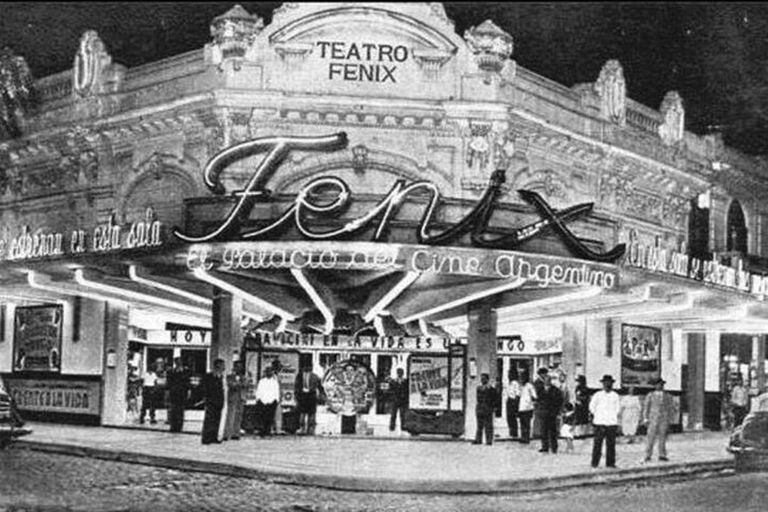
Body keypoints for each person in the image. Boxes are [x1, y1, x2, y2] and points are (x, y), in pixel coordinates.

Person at [589, 374, 620, 468]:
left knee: (611, 444)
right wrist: (598, 415)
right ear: (603, 384)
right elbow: (591, 407)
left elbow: (617, 409)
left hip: (611, 423)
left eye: (609, 383)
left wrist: (611, 416)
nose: (607, 384)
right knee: (597, 444)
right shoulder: (598, 395)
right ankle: (595, 463)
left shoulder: (615, 395)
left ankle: (610, 463)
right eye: (605, 383)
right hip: (599, 423)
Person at [643, 377, 673, 462]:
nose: (659, 386)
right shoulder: (650, 395)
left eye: (661, 384)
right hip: (652, 419)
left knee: (663, 437)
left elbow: (670, 408)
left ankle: (662, 455)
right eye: (658, 384)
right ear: (655, 386)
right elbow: (646, 407)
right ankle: (648, 455)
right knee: (650, 438)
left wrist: (669, 419)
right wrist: (645, 418)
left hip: (663, 419)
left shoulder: (667, 396)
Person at [295, 362, 324, 435]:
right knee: (302, 412)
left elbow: (320, 387)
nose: (307, 368)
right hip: (302, 396)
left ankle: (310, 429)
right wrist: (297, 396)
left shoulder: (315, 376)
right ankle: (302, 428)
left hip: (311, 396)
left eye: (309, 367)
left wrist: (321, 395)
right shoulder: (299, 376)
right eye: (306, 367)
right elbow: (296, 386)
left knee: (312, 413)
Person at [201, 358, 226, 445]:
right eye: (223, 365)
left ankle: (213, 437)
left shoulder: (221, 377)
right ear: (217, 366)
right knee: (209, 420)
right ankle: (206, 438)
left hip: (219, 402)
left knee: (216, 420)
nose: (224, 367)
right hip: (211, 401)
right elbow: (204, 388)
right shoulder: (208, 376)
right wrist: (206, 398)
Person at [538, 374, 564, 454]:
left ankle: (554, 447)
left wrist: (557, 411)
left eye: (548, 380)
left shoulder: (555, 390)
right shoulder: (540, 390)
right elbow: (538, 400)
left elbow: (560, 401)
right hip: (543, 413)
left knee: (552, 431)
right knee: (543, 431)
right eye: (545, 380)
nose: (547, 382)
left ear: (550, 381)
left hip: (552, 413)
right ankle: (544, 446)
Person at [473, 373, 498, 445]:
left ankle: (489, 440)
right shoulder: (479, 388)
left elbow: (495, 399)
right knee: (479, 425)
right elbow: (478, 398)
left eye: (484, 378)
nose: (482, 380)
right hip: (480, 408)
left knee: (489, 425)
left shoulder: (491, 389)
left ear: (487, 379)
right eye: (481, 378)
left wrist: (493, 407)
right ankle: (478, 439)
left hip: (488, 408)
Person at [224, 361, 246, 440]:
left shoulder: (243, 377)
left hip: (241, 398)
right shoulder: (230, 376)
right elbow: (231, 385)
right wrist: (239, 384)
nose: (239, 368)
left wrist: (238, 383)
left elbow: (245, 384)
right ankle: (227, 434)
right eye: (238, 366)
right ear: (234, 367)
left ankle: (236, 433)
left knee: (238, 416)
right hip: (233, 398)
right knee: (231, 416)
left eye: (241, 367)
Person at [167, 357, 190, 433]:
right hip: (173, 393)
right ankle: (173, 426)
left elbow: (187, 382)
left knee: (180, 410)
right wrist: (168, 392)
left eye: (179, 362)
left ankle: (179, 426)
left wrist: (188, 391)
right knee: (173, 410)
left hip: (182, 393)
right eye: (177, 362)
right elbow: (169, 383)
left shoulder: (185, 371)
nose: (178, 363)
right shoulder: (171, 371)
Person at [255, 367, 280, 437]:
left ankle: (268, 431)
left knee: (270, 418)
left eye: (270, 372)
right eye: (267, 372)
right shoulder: (262, 381)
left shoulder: (275, 382)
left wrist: (276, 400)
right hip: (263, 401)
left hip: (272, 402)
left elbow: (277, 392)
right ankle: (262, 432)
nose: (269, 373)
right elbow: (258, 391)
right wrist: (258, 399)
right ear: (265, 373)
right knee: (262, 417)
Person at [518, 371, 537, 443]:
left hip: (528, 408)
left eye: (523, 377)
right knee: (522, 424)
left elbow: (534, 396)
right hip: (521, 407)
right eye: (521, 377)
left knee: (527, 424)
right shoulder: (520, 386)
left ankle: (527, 438)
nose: (521, 379)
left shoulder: (530, 386)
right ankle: (523, 437)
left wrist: (531, 403)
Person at [387, 368, 408, 432]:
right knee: (393, 414)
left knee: (402, 415)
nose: (400, 374)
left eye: (401, 372)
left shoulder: (405, 381)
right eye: (399, 372)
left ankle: (403, 426)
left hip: (402, 400)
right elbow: (390, 390)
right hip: (395, 400)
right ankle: (392, 427)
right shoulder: (394, 381)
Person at [504, 367, 521, 439]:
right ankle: (511, 432)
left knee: (512, 417)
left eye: (510, 374)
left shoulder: (515, 384)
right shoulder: (509, 383)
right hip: (509, 400)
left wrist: (515, 404)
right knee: (509, 417)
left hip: (513, 401)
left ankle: (514, 433)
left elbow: (517, 394)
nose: (508, 375)